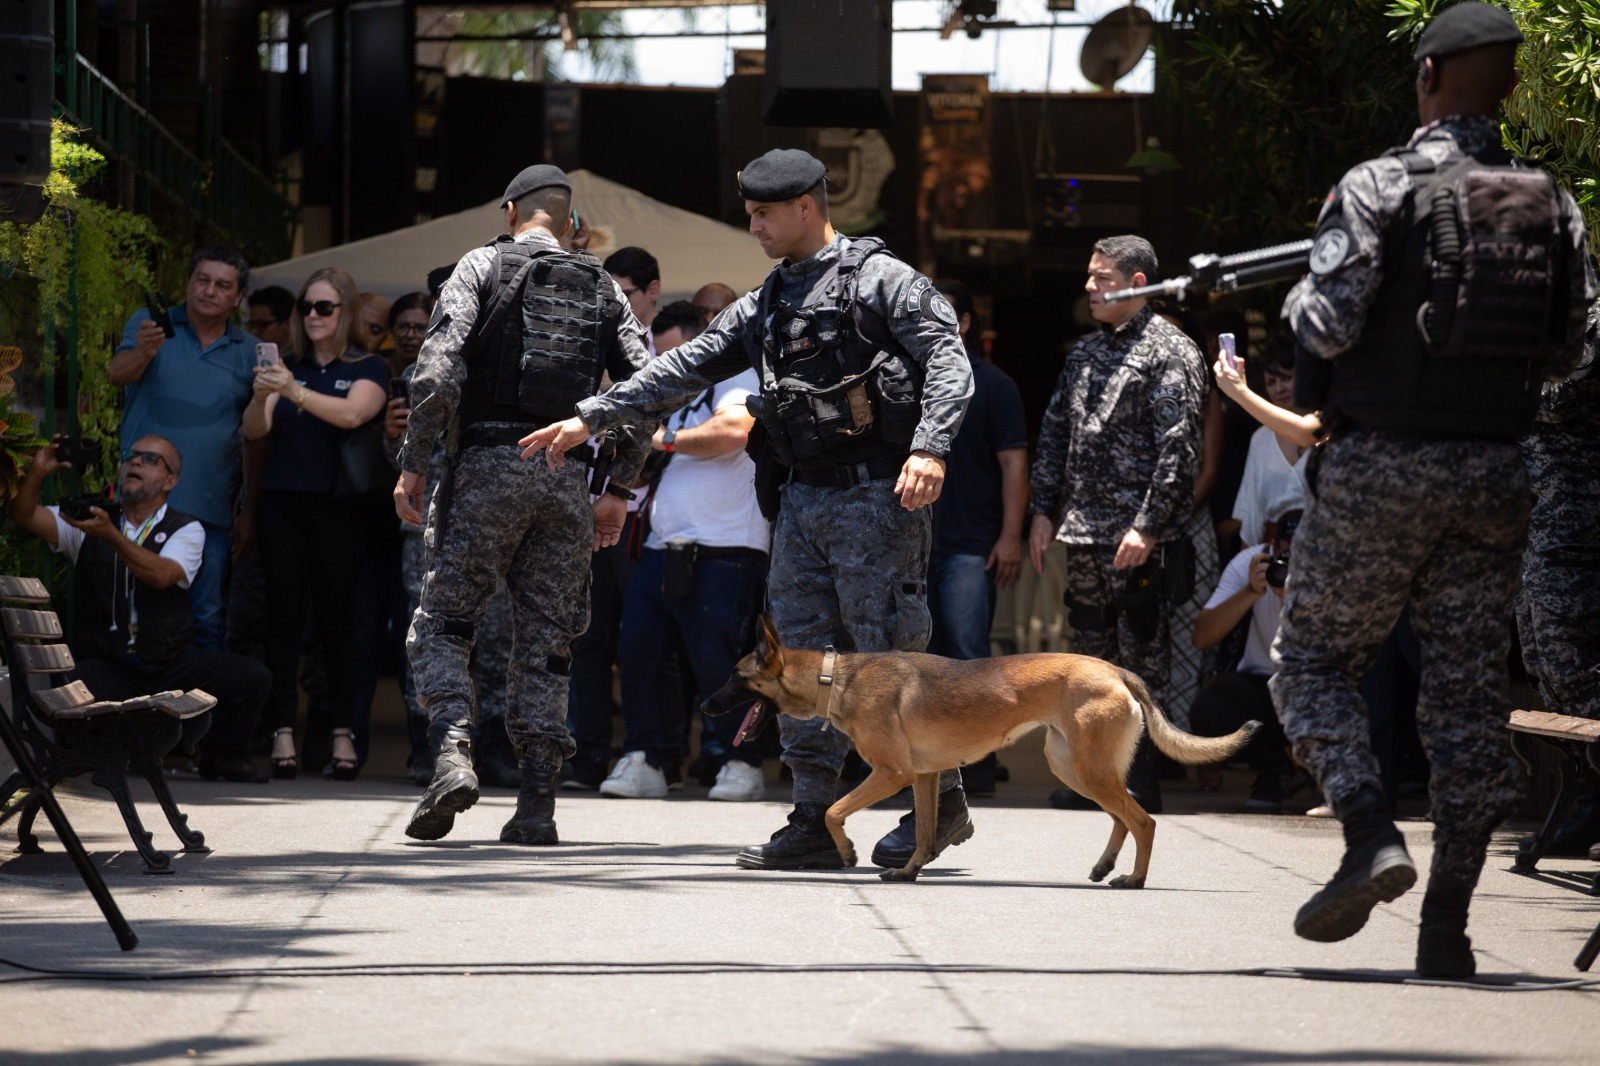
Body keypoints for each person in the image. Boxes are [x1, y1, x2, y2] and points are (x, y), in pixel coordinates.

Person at [523, 147, 974, 870]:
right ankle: (811, 820)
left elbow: (948, 359)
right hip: (800, 501)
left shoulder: (884, 281)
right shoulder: (771, 297)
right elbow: (686, 363)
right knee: (798, 661)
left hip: (877, 498)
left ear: (807, 206)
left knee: (891, 658)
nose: (755, 226)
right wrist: (594, 417)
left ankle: (942, 804)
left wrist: (931, 446)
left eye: (765, 213)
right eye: (751, 213)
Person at [1270, 1, 1596, 979]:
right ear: (1507, 82)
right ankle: (1444, 930)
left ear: (1424, 77)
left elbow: (1322, 327)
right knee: (1462, 696)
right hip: (1496, 470)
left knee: (1313, 662)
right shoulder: (1553, 202)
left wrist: (1298, 301)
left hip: (1381, 466)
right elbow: (1575, 347)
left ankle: (1370, 833)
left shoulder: (1379, 183)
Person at [396, 164, 653, 845]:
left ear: (510, 212)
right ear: (569, 225)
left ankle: (452, 753)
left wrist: (415, 463)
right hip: (565, 477)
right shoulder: (603, 286)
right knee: (547, 646)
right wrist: (618, 490)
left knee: (444, 622)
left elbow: (437, 369)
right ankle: (538, 801)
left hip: (485, 466)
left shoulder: (480, 265)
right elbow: (647, 392)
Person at [1028, 235, 1208, 814]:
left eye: (1102, 277)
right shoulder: (1084, 353)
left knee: (1141, 657)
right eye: (1089, 275)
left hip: (1138, 538)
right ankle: (1093, 777)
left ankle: (1141, 780)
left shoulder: (1170, 350)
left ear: (1139, 284)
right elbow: (1056, 435)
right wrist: (1041, 511)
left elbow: (1179, 451)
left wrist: (1149, 525)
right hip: (1083, 531)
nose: (1089, 286)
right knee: (1088, 659)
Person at [5, 436, 271, 782]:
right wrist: (37, 473)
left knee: (252, 678)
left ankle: (222, 756)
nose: (135, 463)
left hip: (168, 661)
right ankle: (106, 755)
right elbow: (23, 513)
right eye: (131, 456)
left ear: (170, 481)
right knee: (72, 687)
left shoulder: (186, 528)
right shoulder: (91, 521)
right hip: (109, 664)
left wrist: (112, 537)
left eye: (150, 459)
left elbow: (163, 575)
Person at [604, 301, 771, 801]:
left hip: (727, 545)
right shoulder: (671, 390)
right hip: (662, 542)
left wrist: (660, 437)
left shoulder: (736, 372)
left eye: (678, 353)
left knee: (720, 664)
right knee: (638, 655)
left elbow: (735, 431)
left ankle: (743, 763)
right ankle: (644, 758)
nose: (669, 365)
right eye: (661, 356)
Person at [242, 266, 390, 782]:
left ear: (344, 311)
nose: (312, 316)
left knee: (337, 623)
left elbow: (354, 415)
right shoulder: (289, 364)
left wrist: (295, 392)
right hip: (282, 502)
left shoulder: (369, 365)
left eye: (324, 307)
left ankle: (341, 732)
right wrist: (266, 393)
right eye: (306, 307)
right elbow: (254, 431)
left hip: (339, 506)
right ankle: (282, 727)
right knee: (283, 620)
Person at [564, 245, 674, 790]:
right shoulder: (592, 346)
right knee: (587, 639)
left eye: (624, 291)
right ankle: (586, 756)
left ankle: (654, 754)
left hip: (648, 517)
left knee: (645, 641)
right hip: (588, 509)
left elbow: (660, 442)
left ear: (652, 292)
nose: (612, 301)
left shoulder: (672, 352)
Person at [111, 246, 256, 651]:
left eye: (222, 285)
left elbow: (258, 437)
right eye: (202, 280)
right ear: (189, 283)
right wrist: (144, 350)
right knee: (126, 612)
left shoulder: (249, 351)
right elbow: (116, 376)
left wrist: (249, 510)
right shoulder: (150, 324)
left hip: (209, 506)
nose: (209, 291)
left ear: (238, 297)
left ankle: (197, 714)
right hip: (141, 506)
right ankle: (130, 711)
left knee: (206, 616)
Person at [926, 279, 1027, 796]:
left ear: (964, 322)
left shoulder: (994, 385)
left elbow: (1014, 464)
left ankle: (980, 764)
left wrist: (1011, 536)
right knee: (925, 657)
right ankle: (938, 766)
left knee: (970, 659)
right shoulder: (911, 381)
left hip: (971, 544)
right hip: (915, 546)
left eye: (941, 312)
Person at [1515, 297, 1600, 854]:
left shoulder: (1591, 321)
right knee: (1540, 656)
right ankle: (1590, 796)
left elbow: (1562, 399)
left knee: (1574, 660)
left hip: (1580, 522)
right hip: (1539, 518)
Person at [1190, 491, 1304, 812]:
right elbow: (1201, 637)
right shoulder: (1253, 564)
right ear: (1272, 545)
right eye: (1283, 554)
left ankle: (1326, 781)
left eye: (1298, 556)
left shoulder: (1328, 566)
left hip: (1315, 686)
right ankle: (1273, 769)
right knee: (1211, 708)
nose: (1287, 564)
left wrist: (1290, 598)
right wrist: (1251, 592)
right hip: (1261, 685)